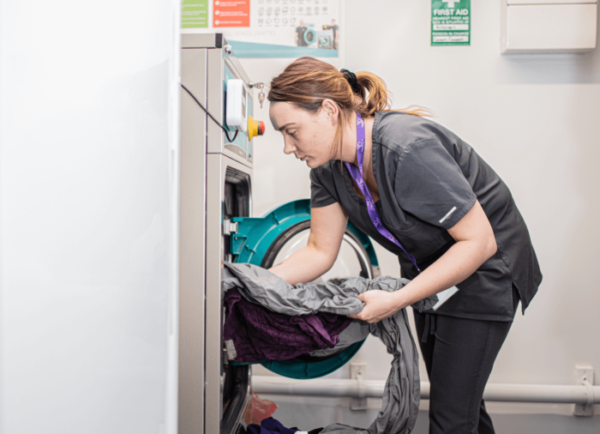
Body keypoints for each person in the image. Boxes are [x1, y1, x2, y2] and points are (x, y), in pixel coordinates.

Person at [267, 57, 542, 434]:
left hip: (484, 271)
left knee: (450, 419)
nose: (287, 147)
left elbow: (479, 241)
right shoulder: (327, 170)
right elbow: (319, 251)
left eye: (292, 131)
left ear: (329, 111)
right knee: (461, 406)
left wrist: (397, 299)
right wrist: (251, 283)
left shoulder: (406, 148)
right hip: (429, 276)